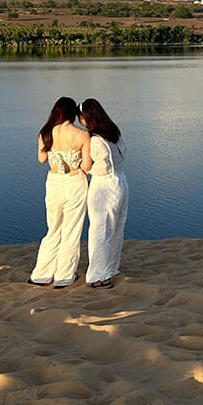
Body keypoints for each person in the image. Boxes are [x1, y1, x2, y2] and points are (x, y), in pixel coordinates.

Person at [29, 96, 91, 288]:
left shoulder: (45, 132)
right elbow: (87, 166)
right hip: (74, 182)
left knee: (53, 229)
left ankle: (41, 275)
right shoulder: (82, 135)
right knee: (71, 231)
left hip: (53, 182)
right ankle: (64, 277)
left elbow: (41, 159)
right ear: (73, 113)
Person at [80, 98, 128, 289]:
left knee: (100, 230)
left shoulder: (96, 140)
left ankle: (97, 276)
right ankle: (110, 268)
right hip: (121, 182)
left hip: (104, 187)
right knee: (116, 227)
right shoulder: (113, 132)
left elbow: (102, 167)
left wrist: (85, 168)